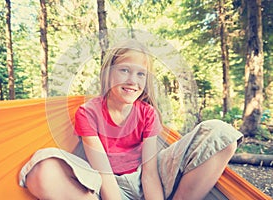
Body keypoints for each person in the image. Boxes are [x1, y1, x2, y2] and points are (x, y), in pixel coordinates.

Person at [19, 39, 243, 200]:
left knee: (221, 132)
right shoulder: (88, 113)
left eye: (140, 74)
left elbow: (150, 174)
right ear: (108, 74)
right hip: (106, 185)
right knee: (42, 170)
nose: (132, 81)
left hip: (148, 182)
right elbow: (103, 172)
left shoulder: (147, 113)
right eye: (124, 70)